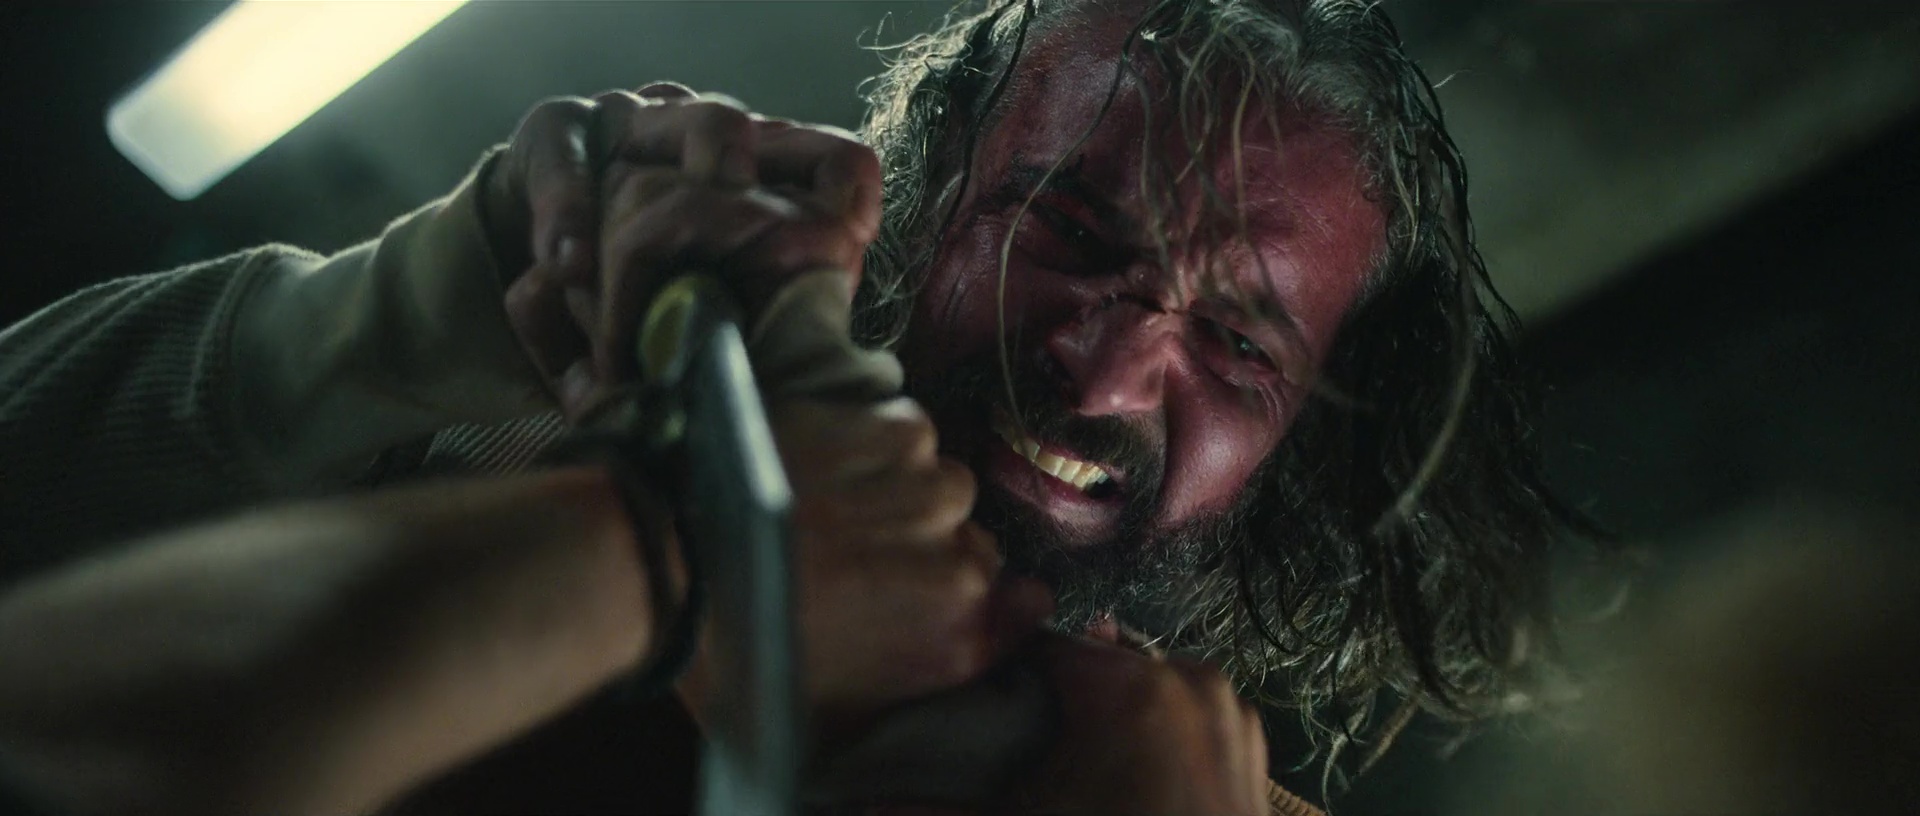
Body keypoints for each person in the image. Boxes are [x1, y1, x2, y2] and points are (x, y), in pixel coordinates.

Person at [0, 0, 1588, 813]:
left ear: (1301, 429)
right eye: (1065, 228)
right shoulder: (509, 466)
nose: (1105, 373)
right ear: (925, 202)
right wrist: (370, 328)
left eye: (1238, 341)